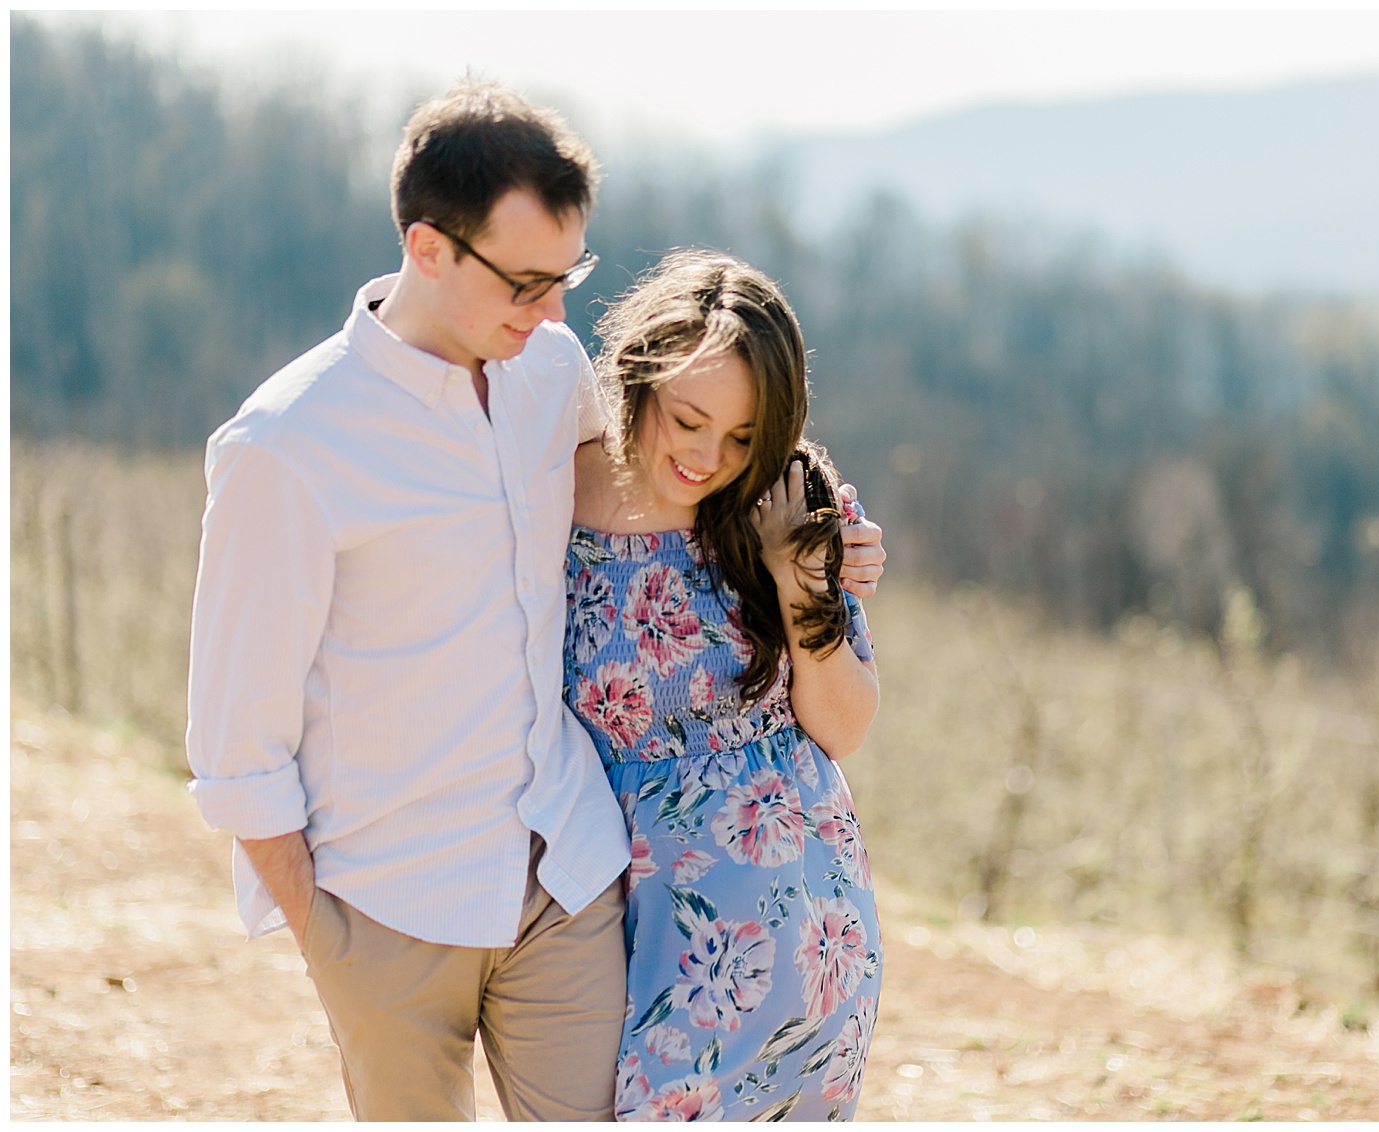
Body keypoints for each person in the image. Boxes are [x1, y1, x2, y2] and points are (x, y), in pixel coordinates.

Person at [184, 82, 885, 1121]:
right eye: (524, 281)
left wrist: (833, 562)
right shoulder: (288, 449)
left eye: (567, 276)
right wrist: (325, 941)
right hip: (392, 900)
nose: (556, 312)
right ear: (429, 249)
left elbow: (705, 469)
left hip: (571, 878)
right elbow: (237, 745)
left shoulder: (544, 371)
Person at [565, 250, 882, 1121]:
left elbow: (845, 726)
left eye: (742, 437)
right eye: (688, 419)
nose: (708, 457)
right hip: (615, 912)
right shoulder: (547, 483)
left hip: (799, 924)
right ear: (638, 377)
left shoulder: (789, 500)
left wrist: (797, 582)